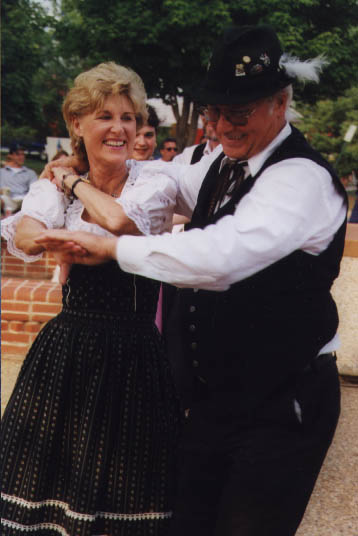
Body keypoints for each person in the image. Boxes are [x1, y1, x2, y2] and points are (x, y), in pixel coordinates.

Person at [38, 25, 348, 536]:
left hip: (280, 406)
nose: (222, 125)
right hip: (212, 403)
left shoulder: (301, 180)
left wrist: (114, 247)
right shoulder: (219, 167)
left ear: (280, 103)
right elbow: (152, 184)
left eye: (239, 113)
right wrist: (83, 166)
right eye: (214, 112)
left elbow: (219, 257)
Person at [0, 61, 180, 536]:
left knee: (125, 498)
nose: (120, 129)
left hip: (134, 352)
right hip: (67, 352)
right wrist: (56, 217)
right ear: (76, 124)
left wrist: (70, 183)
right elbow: (26, 232)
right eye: (105, 117)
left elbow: (120, 221)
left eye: (128, 117)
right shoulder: (53, 183)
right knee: (44, 494)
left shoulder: (154, 180)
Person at [0, 143, 38, 214]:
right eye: (18, 154)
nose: (21, 157)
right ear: (10, 156)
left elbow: (35, 190)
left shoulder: (30, 173)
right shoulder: (2, 172)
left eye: (23, 154)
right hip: (6, 200)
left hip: (23, 200)